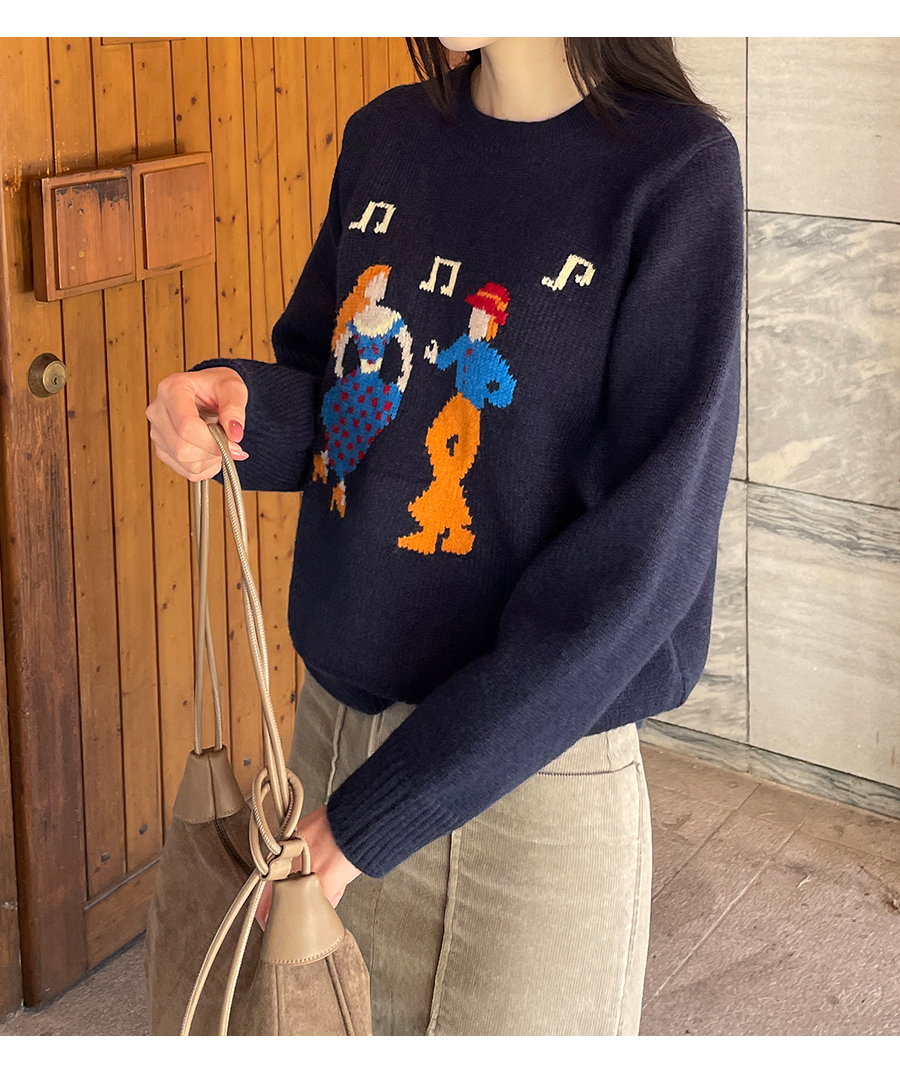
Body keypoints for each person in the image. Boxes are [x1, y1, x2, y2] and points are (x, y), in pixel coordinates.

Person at [145, 37, 744, 1036]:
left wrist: (373, 821)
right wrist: (232, 407)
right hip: (328, 744)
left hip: (533, 790)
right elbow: (333, 388)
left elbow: (643, 565)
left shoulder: (675, 169)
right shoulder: (388, 135)